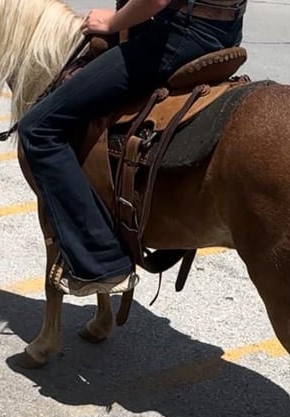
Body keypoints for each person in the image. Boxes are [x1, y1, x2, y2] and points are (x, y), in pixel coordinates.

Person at [18, 0, 245, 296]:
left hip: (179, 37)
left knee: (38, 128)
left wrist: (112, 23)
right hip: (225, 31)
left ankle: (101, 261)